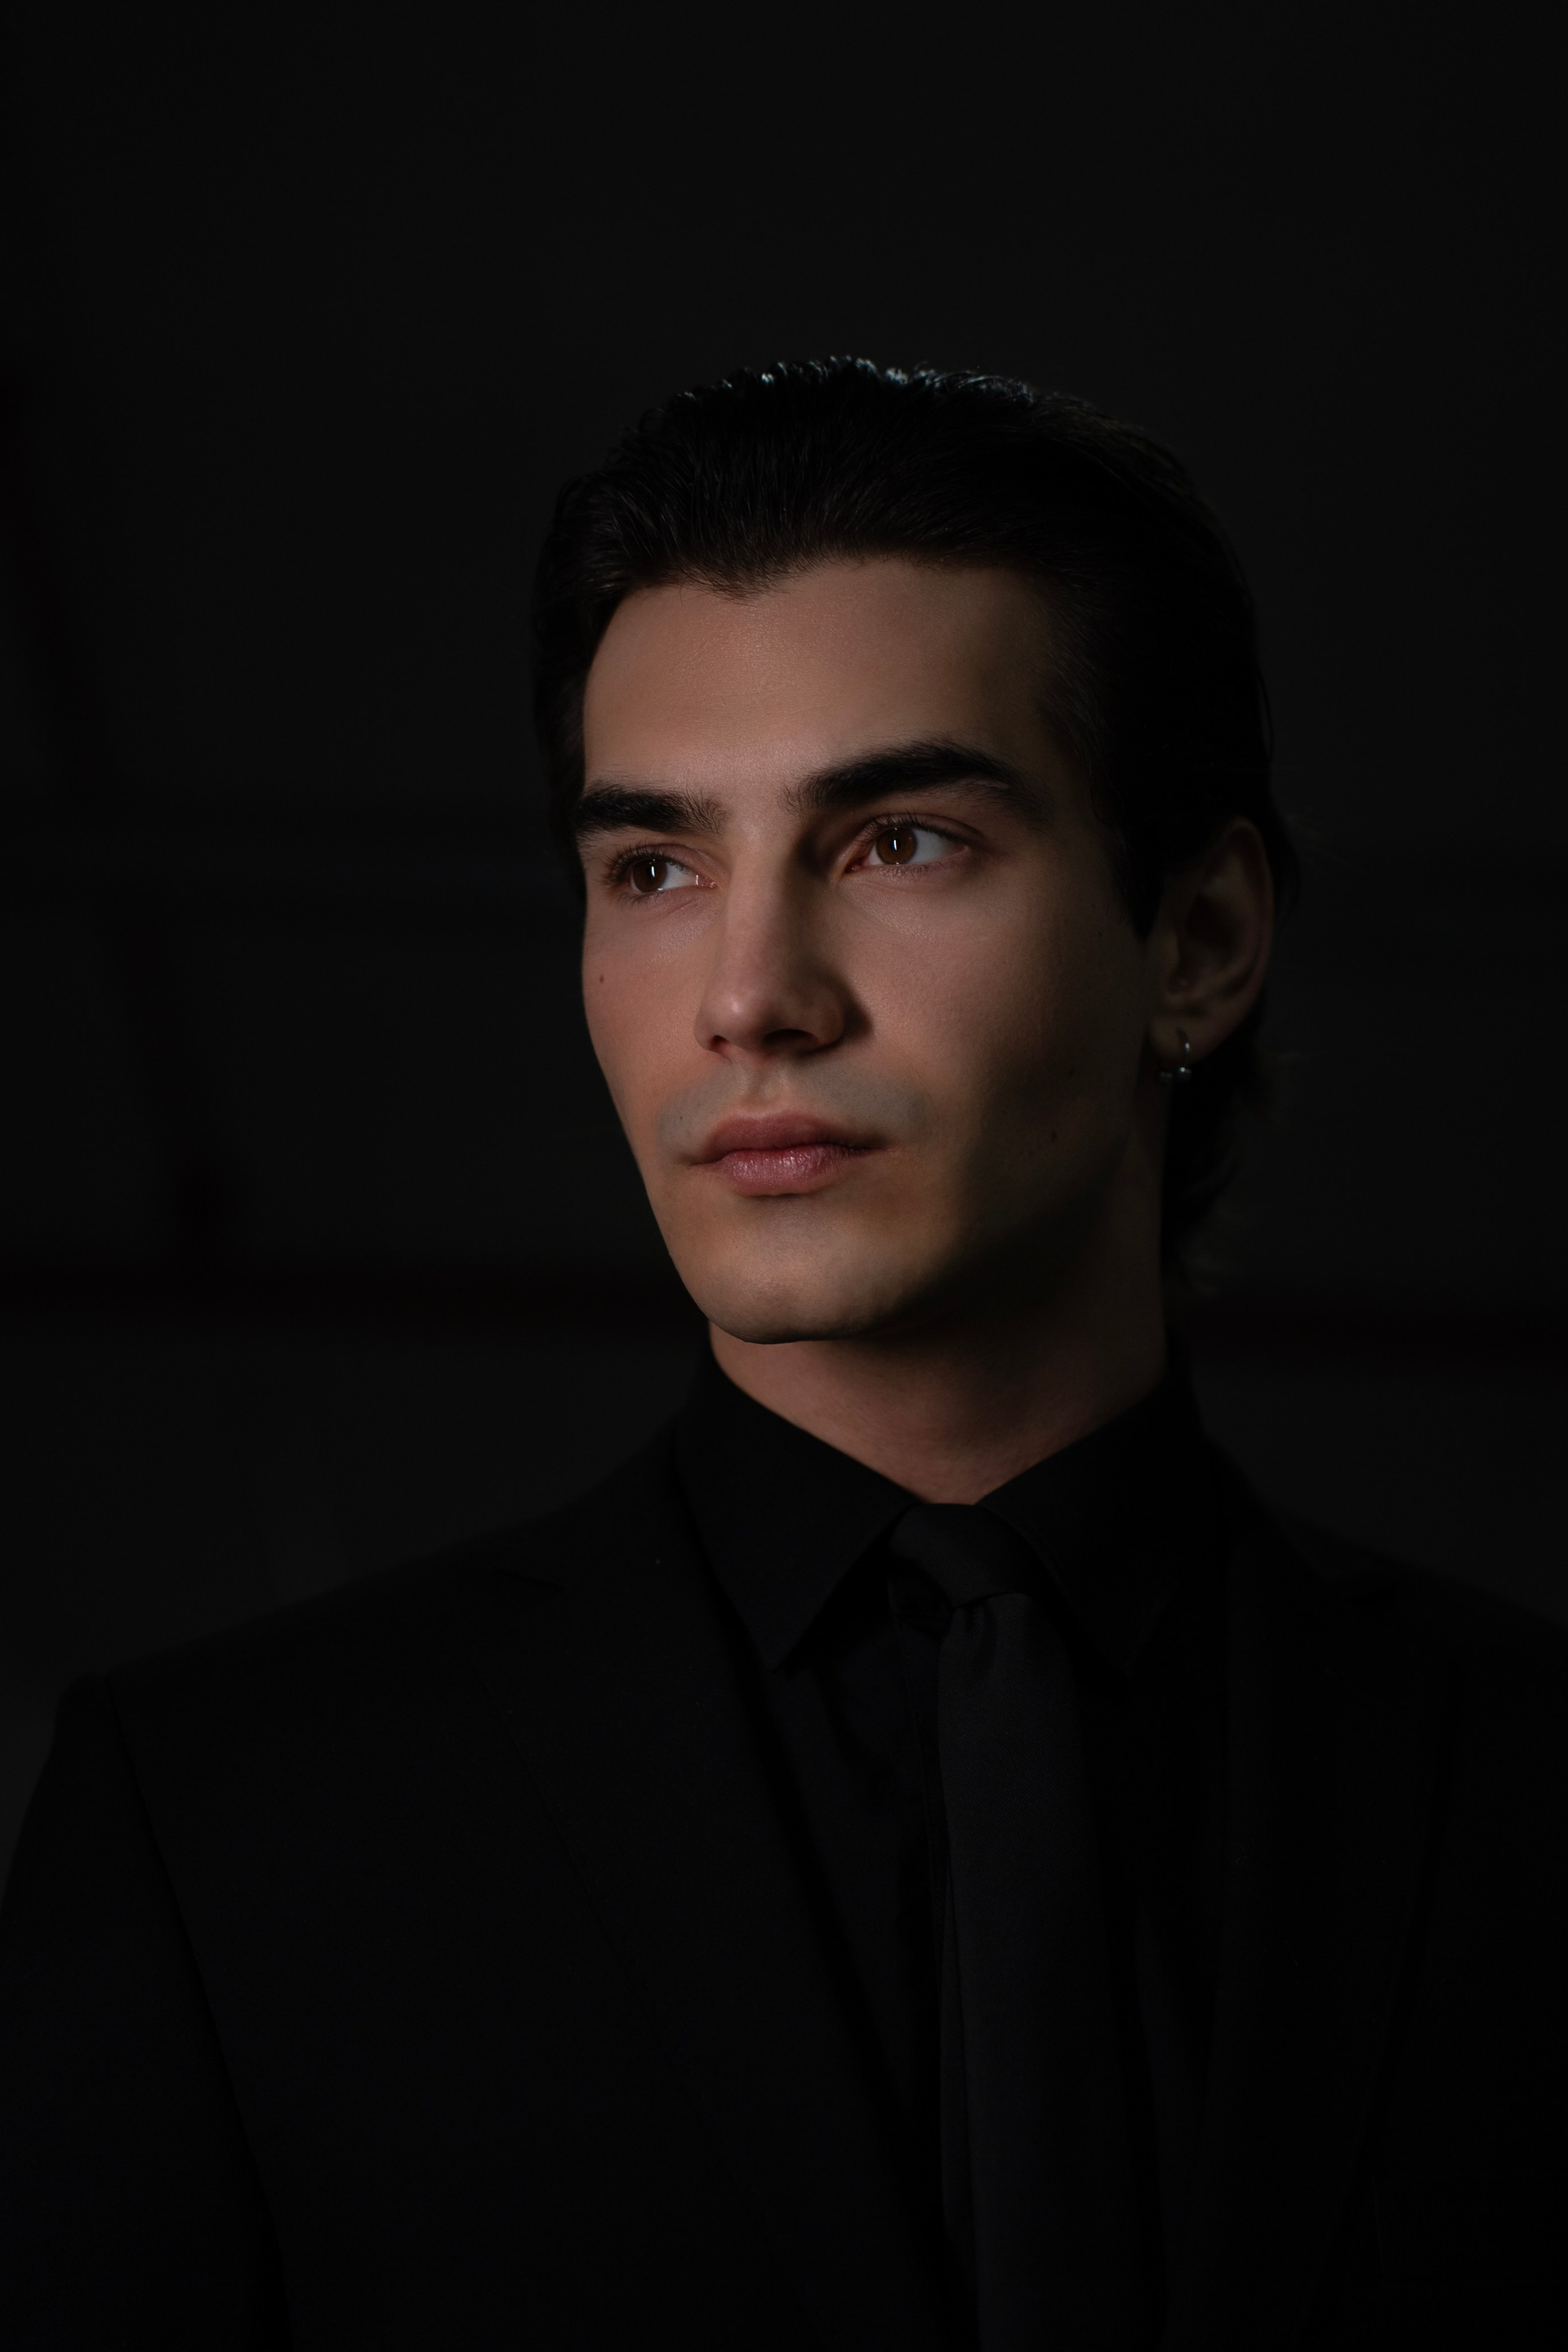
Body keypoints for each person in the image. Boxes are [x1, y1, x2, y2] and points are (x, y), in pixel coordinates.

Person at [2, 360, 1564, 2350]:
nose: (749, 997)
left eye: (899, 840)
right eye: (655, 869)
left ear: (1199, 940)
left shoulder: (1527, 1798)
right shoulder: (228, 1827)